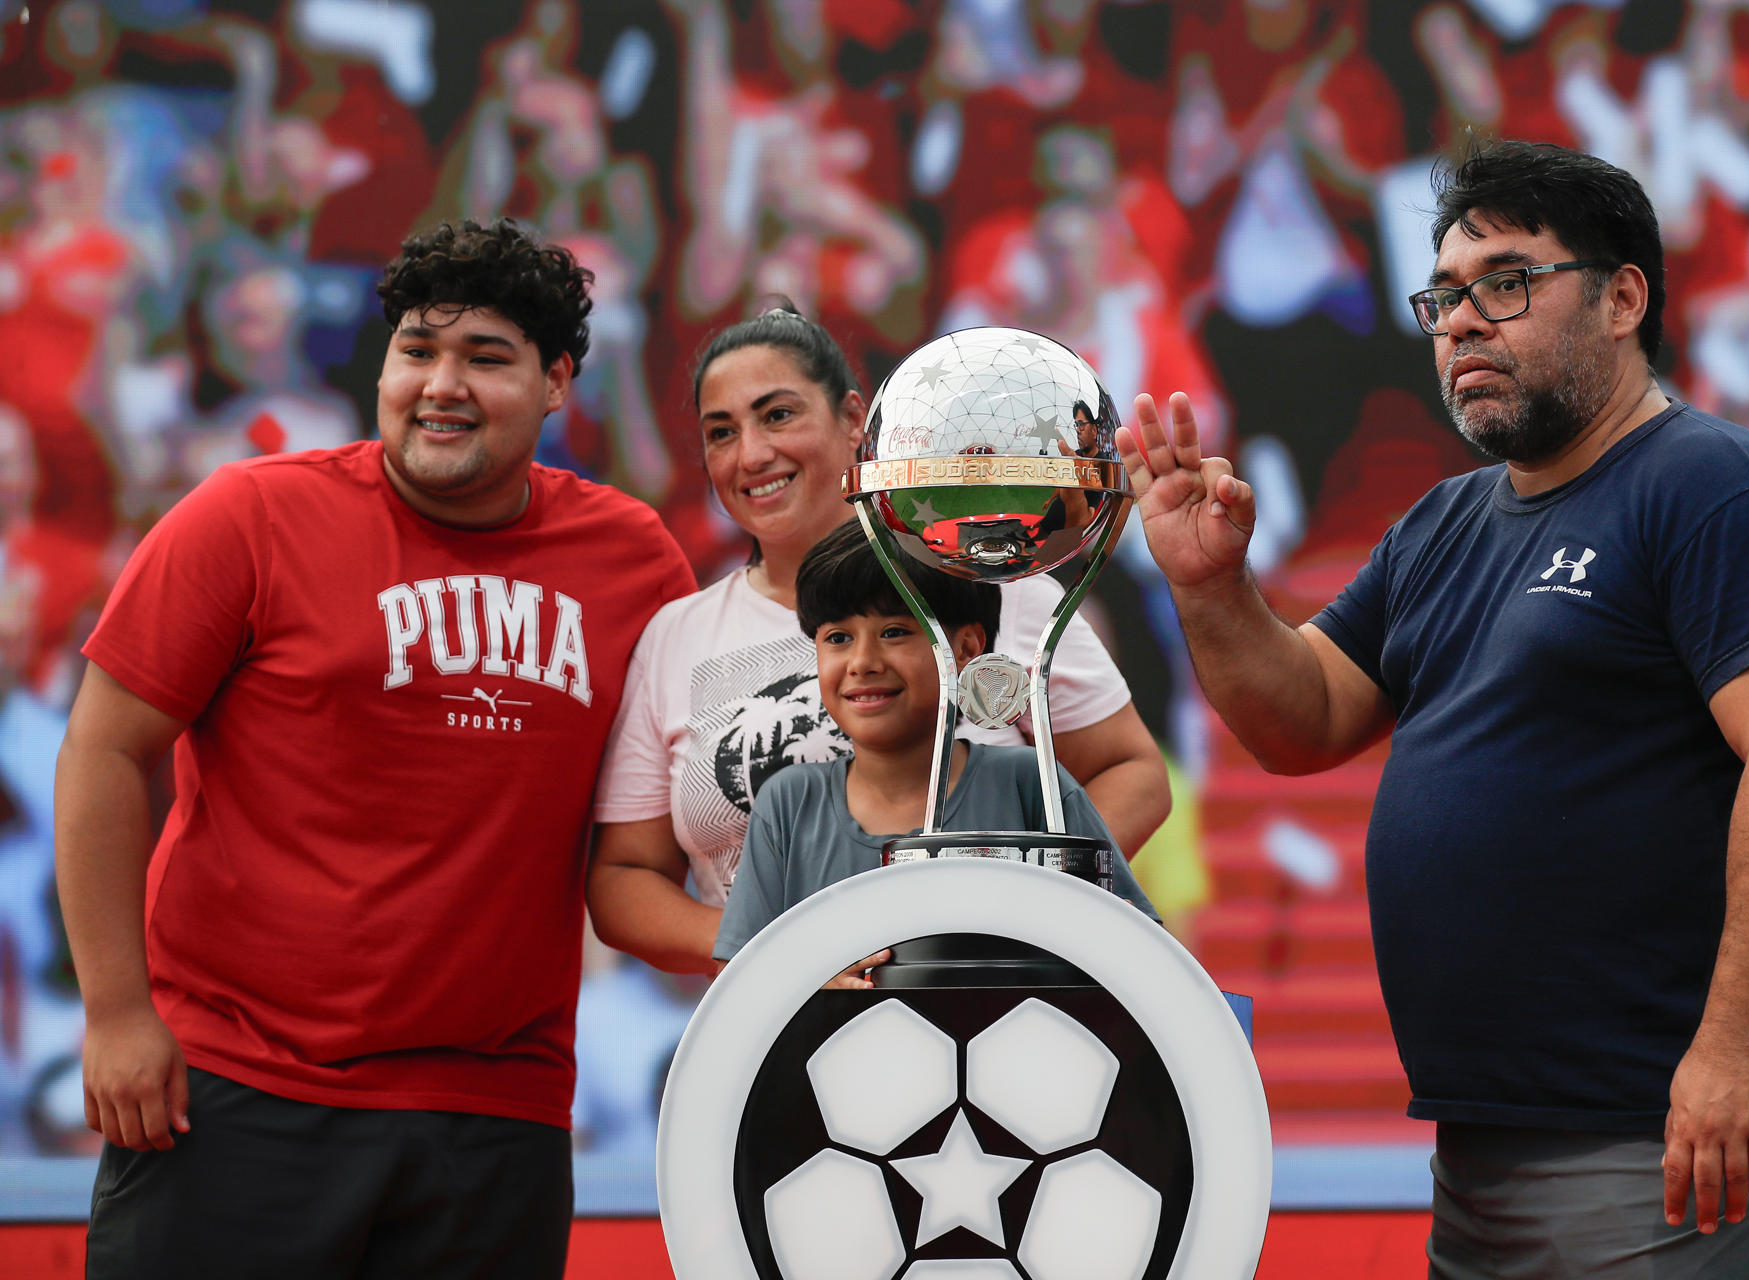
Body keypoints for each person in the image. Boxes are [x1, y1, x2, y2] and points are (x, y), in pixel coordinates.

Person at [1123, 140, 1749, 1278]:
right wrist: (1209, 586)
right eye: (1445, 296)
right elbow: (1303, 719)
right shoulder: (1444, 522)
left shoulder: (1717, 487)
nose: (1463, 321)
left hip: (1670, 1131)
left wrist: (1735, 1050)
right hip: (1486, 1140)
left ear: (1624, 296)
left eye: (1508, 283)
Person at [54, 218, 696, 1278]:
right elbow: (105, 750)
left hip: (493, 1112)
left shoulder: (634, 560)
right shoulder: (245, 516)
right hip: (232, 1087)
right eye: (416, 350)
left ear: (555, 384)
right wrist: (117, 1011)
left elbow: (666, 811)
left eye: (485, 357)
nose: (441, 383)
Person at [589, 307, 1169, 974]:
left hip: (991, 1004)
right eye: (721, 433)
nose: (750, 453)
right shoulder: (675, 637)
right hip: (773, 1037)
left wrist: (1003, 908)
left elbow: (1135, 775)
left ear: (854, 419)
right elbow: (624, 879)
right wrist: (780, 954)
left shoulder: (985, 579)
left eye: (778, 415)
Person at [714, 520, 1159, 970]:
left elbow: (1133, 950)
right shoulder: (788, 803)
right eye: (838, 638)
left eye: (894, 632)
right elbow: (739, 984)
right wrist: (807, 982)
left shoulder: (1031, 782)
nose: (862, 663)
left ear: (966, 648)